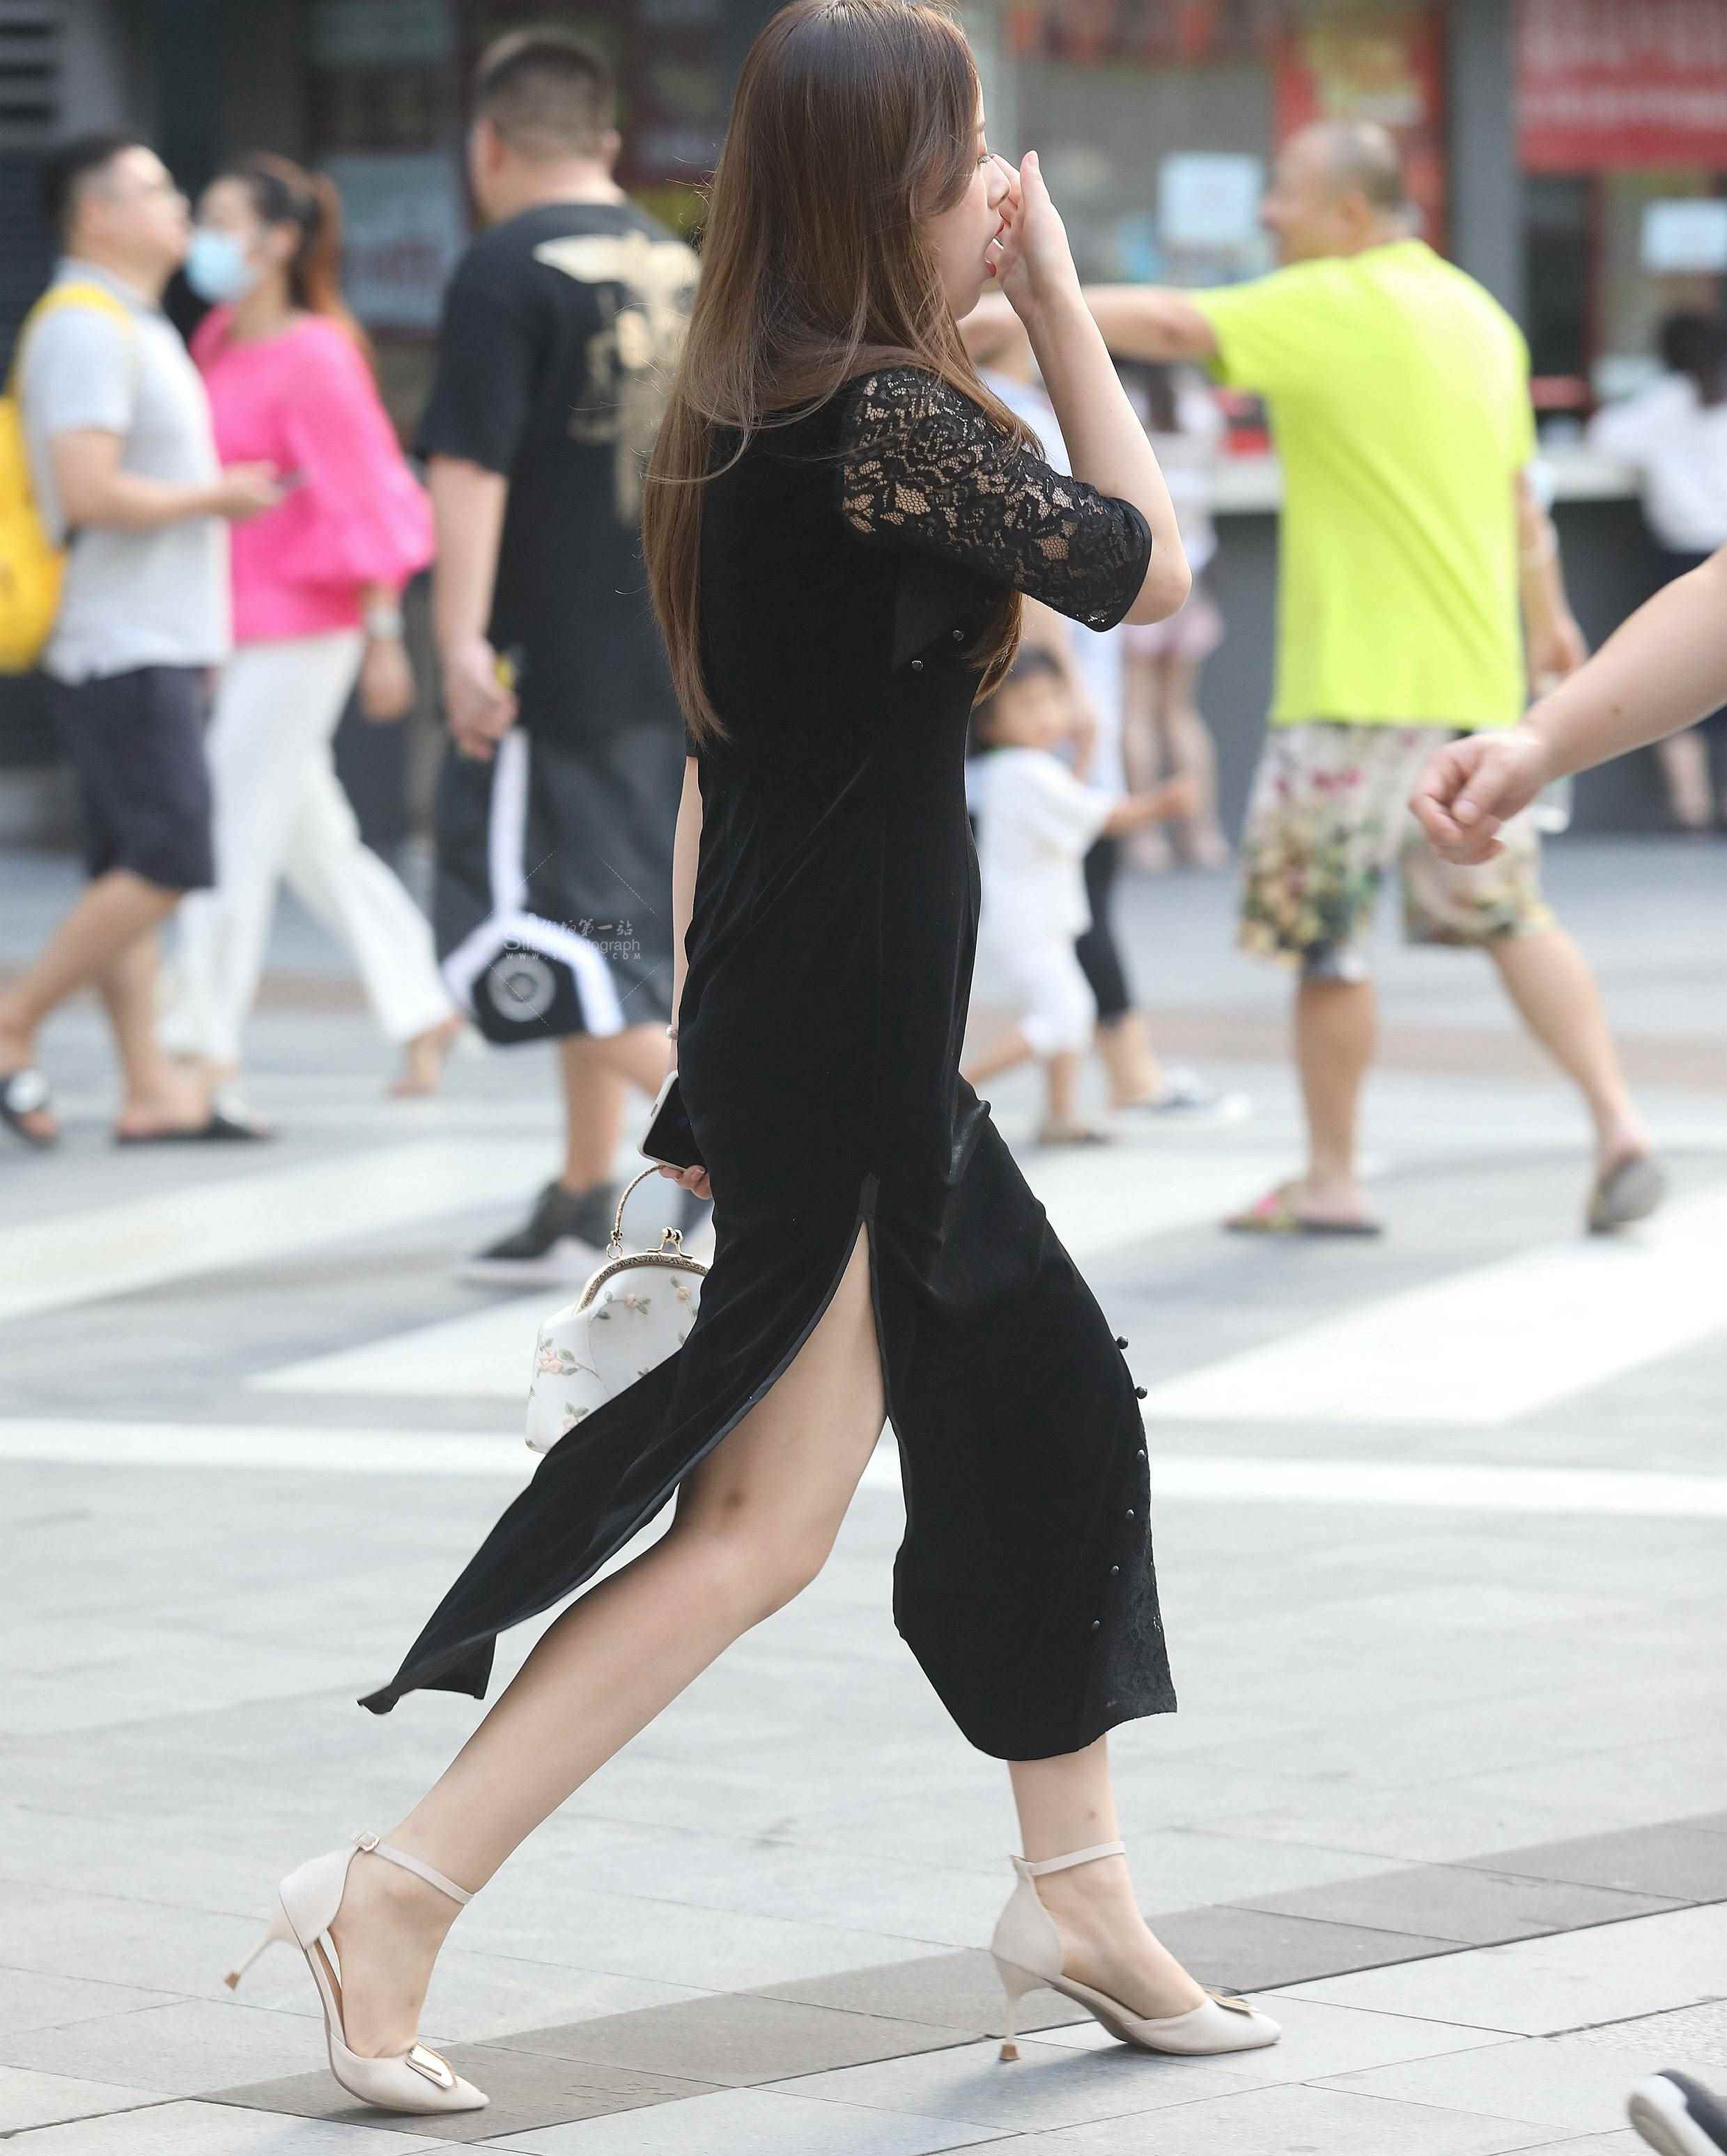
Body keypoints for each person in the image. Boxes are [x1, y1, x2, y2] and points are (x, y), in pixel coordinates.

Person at [222, 1, 1282, 2114]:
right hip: (851, 1023)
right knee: (755, 1527)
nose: (994, 190)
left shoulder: (756, 404)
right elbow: (1149, 568)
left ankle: (1074, 1889)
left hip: (818, 1008)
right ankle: (391, 1894)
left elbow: (727, 766)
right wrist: (1068, 298)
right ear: (892, 179)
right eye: (967, 156)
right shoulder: (877, 416)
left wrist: (713, 1066)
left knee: (1035, 1423)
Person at [992, 119, 1661, 1238]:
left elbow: (1172, 323)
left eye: (1286, 195)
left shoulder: (1331, 299)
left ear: (1349, 214)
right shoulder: (1480, 319)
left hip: (1348, 692)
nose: (1267, 214)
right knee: (1509, 914)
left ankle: (1332, 1178)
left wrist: (1021, 299)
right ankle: (1617, 1123)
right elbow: (1521, 502)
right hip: (1472, 686)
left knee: (1326, 941)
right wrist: (1548, 627)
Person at [420, 28, 699, 1282]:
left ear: (487, 144)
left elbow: (468, 462)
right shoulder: (680, 262)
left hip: (553, 654)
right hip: (669, 645)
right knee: (609, 921)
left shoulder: (499, 268)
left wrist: (458, 640)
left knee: (532, 924)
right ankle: (589, 1185)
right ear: (608, 140)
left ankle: (745, 1154)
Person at [155, 153, 459, 1101]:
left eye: (220, 220)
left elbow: (372, 497)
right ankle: (423, 1004)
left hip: (308, 623)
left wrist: (382, 635)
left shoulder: (319, 352)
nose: (202, 237)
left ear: (279, 242)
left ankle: (198, 1047)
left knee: (225, 825)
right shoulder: (214, 337)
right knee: (307, 836)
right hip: (234, 618)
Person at [0, 134, 279, 1151]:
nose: (181, 209)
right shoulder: (86, 326)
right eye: (156, 191)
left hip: (145, 631)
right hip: (118, 637)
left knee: (127, 859)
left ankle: (153, 1088)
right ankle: (14, 1017)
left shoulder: (130, 319)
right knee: (169, 853)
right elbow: (86, 491)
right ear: (95, 215)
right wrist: (219, 496)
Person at [973, 342, 1245, 1124]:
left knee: (1078, 903)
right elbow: (1031, 561)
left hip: (1062, 683)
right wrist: (1061, 687)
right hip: (1051, 688)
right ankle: (1123, 1072)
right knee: (1083, 891)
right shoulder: (1003, 407)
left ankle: (1094, 1089)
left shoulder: (1014, 401)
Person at [963, 649, 1197, 1142]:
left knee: (1069, 1010)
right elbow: (1101, 816)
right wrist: (1163, 804)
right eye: (1027, 705)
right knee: (1062, 1014)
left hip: (1037, 921)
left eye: (1052, 698)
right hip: (1029, 924)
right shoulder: (1024, 771)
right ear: (990, 723)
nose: (1046, 714)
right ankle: (952, 1090)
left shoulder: (1025, 770)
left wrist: (1086, 751)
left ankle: (1059, 1114)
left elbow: (1071, 804)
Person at [1587, 310, 1727, 832]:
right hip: (1707, 552)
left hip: (1683, 555)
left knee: (1679, 677)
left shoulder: (1661, 404)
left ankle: (1692, 806)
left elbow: (1604, 437)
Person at [1121, 359, 1231, 870]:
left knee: (1137, 711)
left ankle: (1144, 839)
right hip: (1195, 573)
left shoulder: (1123, 401)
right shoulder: (1202, 406)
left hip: (1140, 576)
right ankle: (1203, 834)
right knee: (1181, 712)